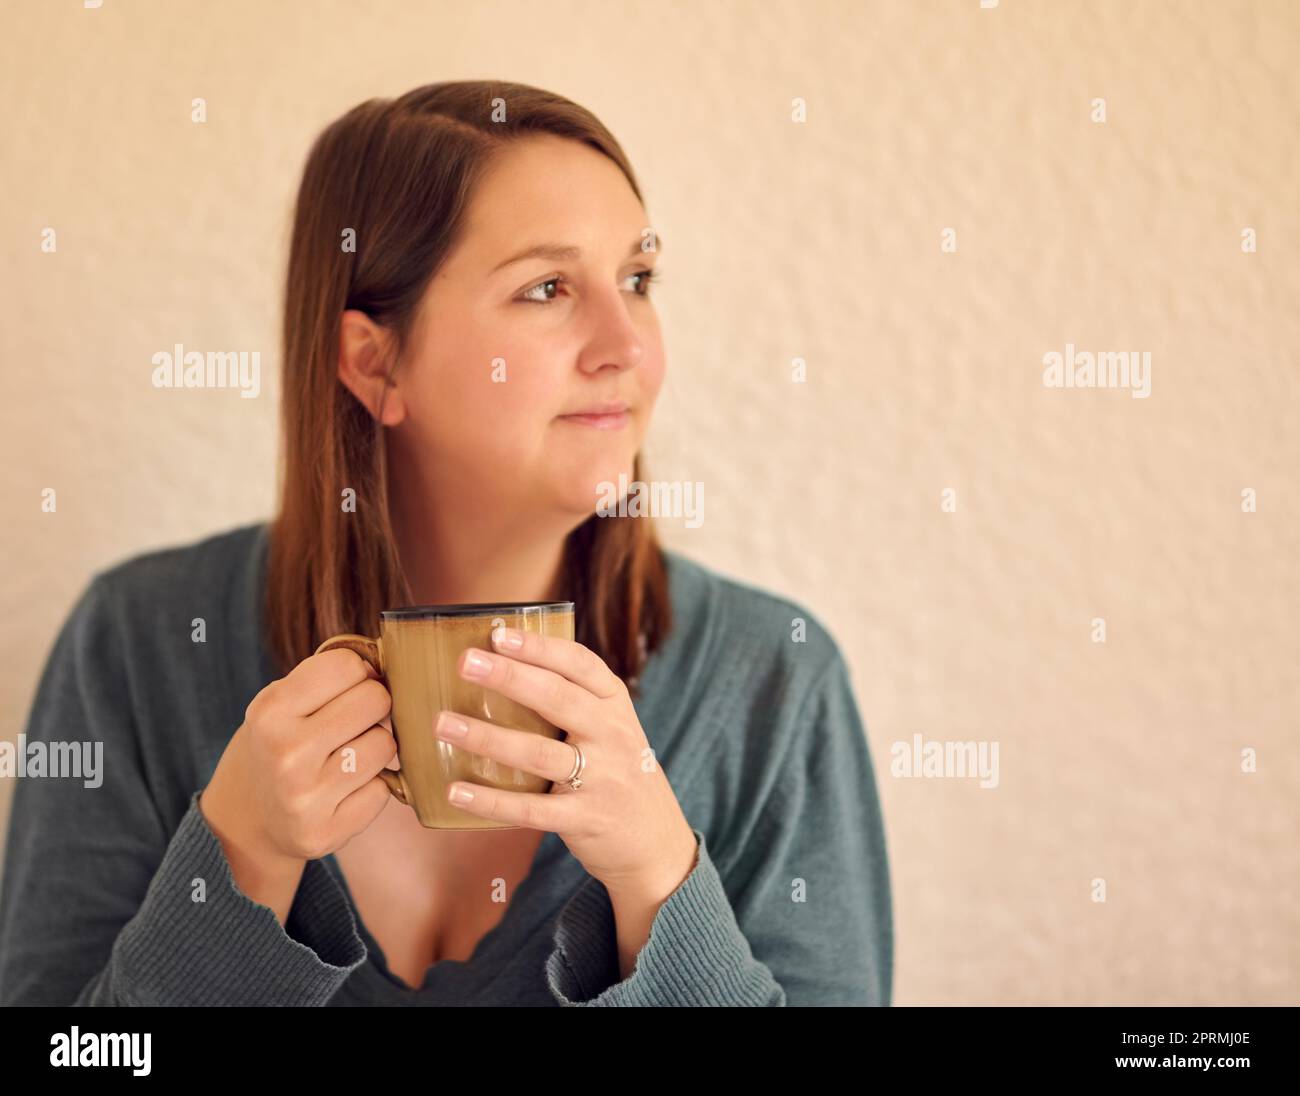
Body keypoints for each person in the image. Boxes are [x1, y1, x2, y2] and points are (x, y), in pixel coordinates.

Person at [0, 80, 892, 1006]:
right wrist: (241, 858)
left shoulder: (777, 684)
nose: (626, 345)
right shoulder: (136, 649)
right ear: (374, 363)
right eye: (548, 288)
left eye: (637, 280)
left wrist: (660, 885)